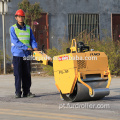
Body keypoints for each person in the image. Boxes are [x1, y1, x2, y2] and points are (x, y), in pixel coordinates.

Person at [10, 9, 38, 98]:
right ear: (16, 18)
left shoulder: (28, 28)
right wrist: (26, 47)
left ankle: (27, 92)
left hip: (27, 55)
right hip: (17, 55)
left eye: (22, 16)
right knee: (18, 74)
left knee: (27, 73)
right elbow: (15, 41)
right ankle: (18, 92)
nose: (20, 18)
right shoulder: (13, 28)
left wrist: (35, 47)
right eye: (19, 16)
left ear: (24, 18)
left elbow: (32, 39)